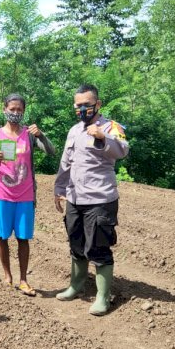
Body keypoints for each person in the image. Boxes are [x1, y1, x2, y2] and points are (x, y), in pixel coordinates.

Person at [54, 84, 129, 316]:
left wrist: (103, 137)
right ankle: (76, 285)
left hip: (100, 198)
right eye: (78, 105)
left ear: (98, 104)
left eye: (87, 104)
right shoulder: (74, 130)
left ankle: (102, 297)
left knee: (98, 247)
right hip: (75, 198)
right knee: (76, 244)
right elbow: (66, 162)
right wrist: (58, 188)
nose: (82, 109)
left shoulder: (111, 127)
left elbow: (123, 150)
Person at [0, 93, 56, 296]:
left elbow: (51, 152)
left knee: (23, 238)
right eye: (12, 109)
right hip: (2, 193)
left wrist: (41, 135)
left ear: (24, 111)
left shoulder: (30, 135)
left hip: (25, 195)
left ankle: (23, 279)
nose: (15, 113)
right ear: (4, 109)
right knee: (1, 236)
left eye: (19, 110)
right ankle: (7, 276)